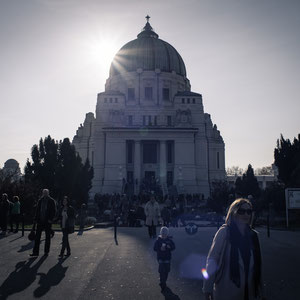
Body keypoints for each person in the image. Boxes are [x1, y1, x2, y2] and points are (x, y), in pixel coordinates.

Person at [203, 198, 266, 300]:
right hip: (227, 289)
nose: (246, 214)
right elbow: (212, 261)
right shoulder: (224, 232)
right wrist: (207, 289)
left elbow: (258, 266)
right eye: (241, 211)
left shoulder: (253, 235)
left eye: (248, 212)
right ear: (234, 213)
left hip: (249, 290)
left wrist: (262, 292)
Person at [30, 189, 56, 257]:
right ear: (42, 193)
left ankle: (46, 252)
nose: (45, 194)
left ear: (48, 193)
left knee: (47, 237)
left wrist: (51, 219)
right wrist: (35, 219)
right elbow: (37, 211)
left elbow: (54, 211)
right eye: (44, 193)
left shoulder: (51, 201)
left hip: (47, 221)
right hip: (40, 221)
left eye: (46, 193)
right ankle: (35, 252)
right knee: (37, 237)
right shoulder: (40, 200)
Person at [153, 226, 176, 292]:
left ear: (167, 234)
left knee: (167, 270)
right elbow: (154, 248)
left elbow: (173, 247)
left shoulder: (169, 240)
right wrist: (159, 248)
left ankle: (164, 280)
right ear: (161, 233)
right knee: (161, 269)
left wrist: (169, 247)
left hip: (167, 257)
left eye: (165, 234)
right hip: (160, 257)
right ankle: (162, 282)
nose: (163, 235)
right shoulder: (158, 240)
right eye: (162, 234)